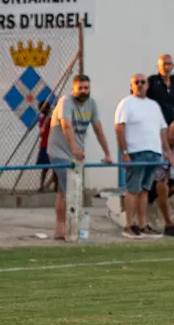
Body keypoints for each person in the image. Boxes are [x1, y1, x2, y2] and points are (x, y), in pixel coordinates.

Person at [46, 75, 113, 239]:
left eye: (86, 88)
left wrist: (107, 153)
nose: (84, 91)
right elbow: (66, 126)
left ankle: (61, 228)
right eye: (80, 88)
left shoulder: (91, 104)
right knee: (70, 188)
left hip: (76, 154)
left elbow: (98, 128)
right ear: (73, 89)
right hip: (59, 152)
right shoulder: (65, 102)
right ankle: (67, 227)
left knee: (64, 191)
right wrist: (74, 149)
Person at [114, 73, 174, 239]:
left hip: (154, 153)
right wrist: (124, 152)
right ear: (132, 85)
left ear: (148, 85)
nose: (140, 84)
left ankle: (142, 225)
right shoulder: (126, 103)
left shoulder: (153, 105)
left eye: (143, 82)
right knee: (133, 189)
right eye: (136, 82)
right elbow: (119, 128)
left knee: (145, 190)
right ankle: (129, 225)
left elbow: (162, 130)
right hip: (136, 152)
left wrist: (168, 153)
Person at [145, 54, 174, 235]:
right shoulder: (151, 82)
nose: (167, 66)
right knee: (160, 180)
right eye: (164, 64)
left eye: (170, 64)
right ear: (158, 66)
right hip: (158, 138)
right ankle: (168, 223)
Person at [36, 100, 57, 192]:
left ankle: (55, 186)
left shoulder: (53, 119)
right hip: (45, 146)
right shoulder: (43, 120)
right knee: (45, 167)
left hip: (53, 146)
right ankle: (42, 186)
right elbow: (42, 133)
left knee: (55, 168)